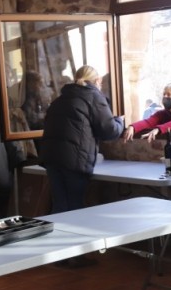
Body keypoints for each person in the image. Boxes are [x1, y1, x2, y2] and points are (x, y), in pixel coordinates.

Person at [39, 65, 124, 213]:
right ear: (97, 80)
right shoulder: (93, 97)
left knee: (60, 206)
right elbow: (109, 131)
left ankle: (59, 236)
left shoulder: (60, 98)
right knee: (74, 209)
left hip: (52, 159)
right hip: (74, 160)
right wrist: (120, 122)